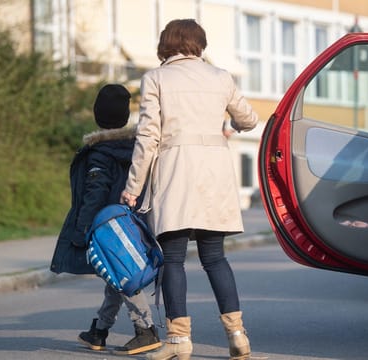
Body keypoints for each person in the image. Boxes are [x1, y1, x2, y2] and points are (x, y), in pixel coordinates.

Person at [120, 19, 259, 360]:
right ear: (199, 44)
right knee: (215, 259)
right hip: (215, 177)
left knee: (174, 260)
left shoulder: (156, 78)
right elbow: (250, 120)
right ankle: (238, 335)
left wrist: (132, 187)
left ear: (166, 44)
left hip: (175, 175)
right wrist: (228, 125)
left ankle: (179, 342)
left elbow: (148, 137)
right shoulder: (221, 77)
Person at [50, 84, 161, 356]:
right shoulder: (136, 147)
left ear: (98, 116)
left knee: (122, 273)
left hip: (106, 225)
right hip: (135, 219)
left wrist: (83, 229)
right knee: (116, 276)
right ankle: (99, 330)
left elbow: (95, 192)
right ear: (124, 116)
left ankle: (145, 330)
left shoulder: (100, 152)